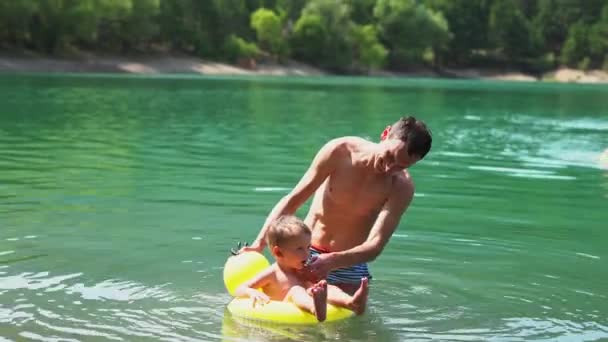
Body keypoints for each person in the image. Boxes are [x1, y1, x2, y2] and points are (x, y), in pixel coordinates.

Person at [240, 116, 432, 294]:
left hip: (348, 265)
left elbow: (375, 245)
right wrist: (259, 243)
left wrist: (332, 262)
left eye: (401, 165)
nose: (390, 168)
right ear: (385, 134)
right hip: (304, 255)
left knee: (345, 327)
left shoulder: (402, 187)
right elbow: (294, 199)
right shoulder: (340, 151)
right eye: (390, 156)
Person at [234, 215, 369, 322]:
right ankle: (315, 309)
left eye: (308, 247)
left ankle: (351, 302)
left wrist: (320, 287)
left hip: (303, 321)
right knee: (296, 290)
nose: (307, 253)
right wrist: (252, 292)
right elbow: (239, 288)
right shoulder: (273, 273)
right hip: (282, 318)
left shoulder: (305, 269)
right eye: (299, 249)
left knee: (327, 287)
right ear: (278, 252)